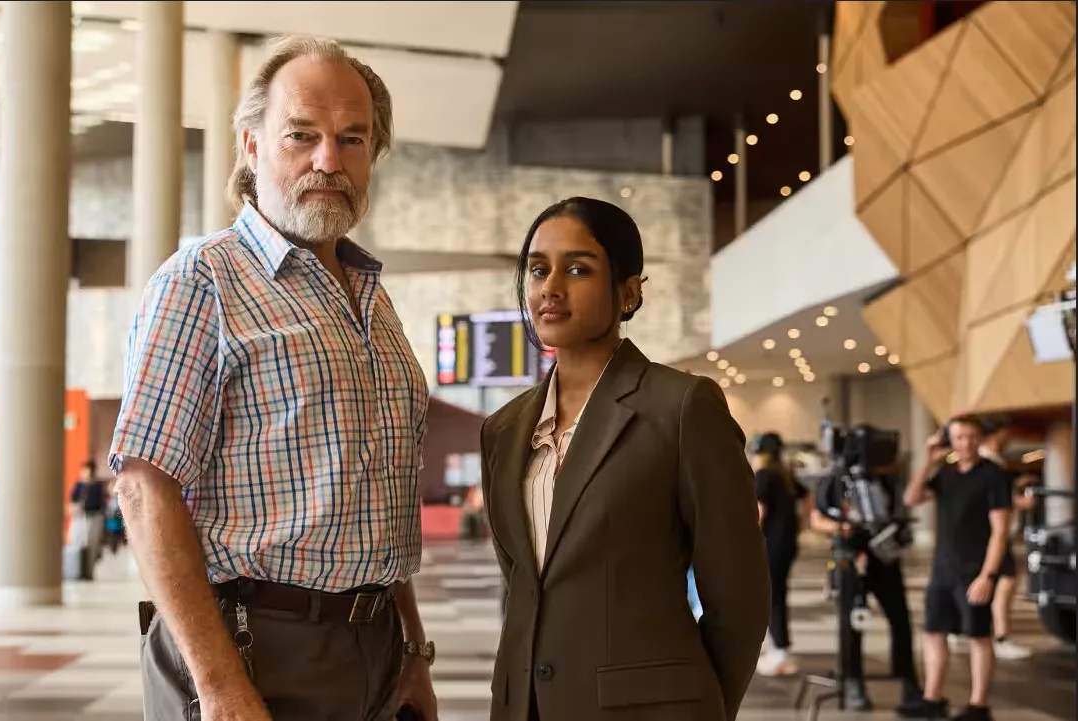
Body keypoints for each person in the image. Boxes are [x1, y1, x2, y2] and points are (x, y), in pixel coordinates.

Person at [110, 35, 437, 721]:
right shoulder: (202, 281)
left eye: (352, 139)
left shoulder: (371, 298)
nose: (328, 160)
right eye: (301, 135)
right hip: (249, 648)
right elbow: (144, 488)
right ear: (251, 146)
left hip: (372, 645)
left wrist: (411, 648)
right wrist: (218, 683)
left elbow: (379, 489)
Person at [479, 197, 769, 721]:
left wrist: (699, 706)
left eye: (577, 268)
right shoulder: (503, 429)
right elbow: (527, 585)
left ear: (629, 291)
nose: (551, 287)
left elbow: (739, 598)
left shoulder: (681, 408)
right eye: (538, 269)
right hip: (525, 706)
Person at [904, 416, 1013, 721]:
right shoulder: (946, 474)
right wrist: (927, 460)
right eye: (959, 437)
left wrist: (987, 576)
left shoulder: (994, 476)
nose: (966, 443)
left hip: (974, 571)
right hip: (943, 569)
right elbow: (911, 499)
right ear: (949, 441)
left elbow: (1000, 532)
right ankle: (932, 698)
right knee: (933, 633)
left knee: (978, 636)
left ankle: (979, 706)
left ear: (980, 439)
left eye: (971, 437)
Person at [808, 469, 925, 714]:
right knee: (851, 625)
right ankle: (853, 682)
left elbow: (901, 510)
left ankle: (908, 681)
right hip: (850, 559)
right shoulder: (835, 480)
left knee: (900, 621)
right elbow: (816, 518)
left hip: (885, 557)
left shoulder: (888, 480)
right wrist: (838, 527)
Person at [973, 418, 1033, 661]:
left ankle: (973, 630)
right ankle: (1000, 637)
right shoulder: (989, 463)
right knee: (1005, 582)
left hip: (993, 533)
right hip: (995, 533)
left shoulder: (992, 462)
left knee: (994, 583)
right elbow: (994, 498)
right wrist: (1021, 501)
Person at [750, 432, 810, 677]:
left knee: (771, 597)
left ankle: (780, 652)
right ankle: (779, 649)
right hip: (787, 544)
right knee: (778, 594)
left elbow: (759, 511)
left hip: (770, 545)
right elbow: (808, 498)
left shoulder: (764, 476)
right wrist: (803, 523)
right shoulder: (785, 475)